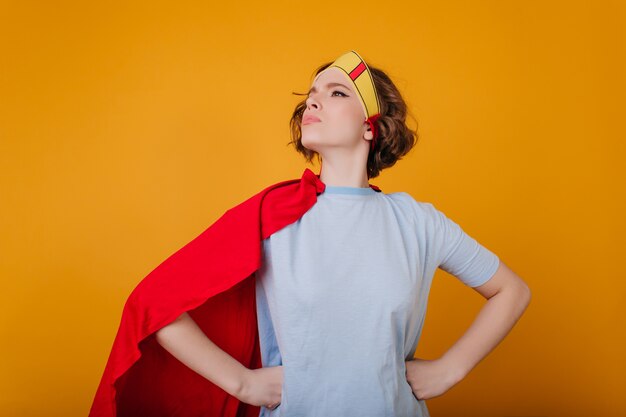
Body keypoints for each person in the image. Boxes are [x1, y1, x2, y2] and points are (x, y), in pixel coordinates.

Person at [90, 50, 531, 417]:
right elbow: (153, 302)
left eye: (336, 92)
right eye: (311, 95)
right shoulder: (273, 215)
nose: (313, 103)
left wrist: (451, 369)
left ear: (369, 126)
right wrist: (241, 382)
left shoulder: (417, 222)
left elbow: (511, 290)